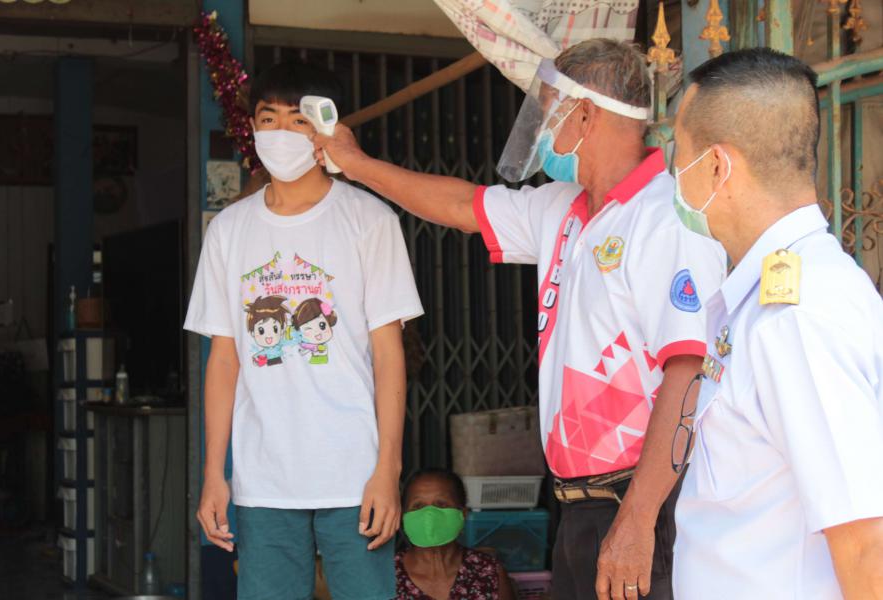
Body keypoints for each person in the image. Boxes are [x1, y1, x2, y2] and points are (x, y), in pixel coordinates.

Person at [316, 39, 727, 600]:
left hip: (642, 504)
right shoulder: (561, 207)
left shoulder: (665, 220)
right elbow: (462, 206)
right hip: (578, 507)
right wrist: (357, 165)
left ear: (585, 114)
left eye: (551, 110)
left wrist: (637, 519)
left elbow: (687, 372)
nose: (542, 128)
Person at [185, 62, 424, 599]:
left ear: (325, 126)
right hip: (263, 480)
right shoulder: (228, 230)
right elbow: (224, 359)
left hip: (354, 475)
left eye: (298, 119)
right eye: (268, 118)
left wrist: (388, 470)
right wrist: (214, 473)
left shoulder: (370, 220)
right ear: (252, 127)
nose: (280, 132)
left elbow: (389, 356)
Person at [670, 48, 883, 599]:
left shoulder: (795, 318)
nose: (674, 173)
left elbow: (866, 545)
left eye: (680, 153)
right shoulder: (780, 296)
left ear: (717, 166)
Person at [397, 469, 515, 599]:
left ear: (463, 514)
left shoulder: (489, 572)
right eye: (418, 506)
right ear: (403, 516)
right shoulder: (387, 576)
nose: (429, 515)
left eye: (441, 504)